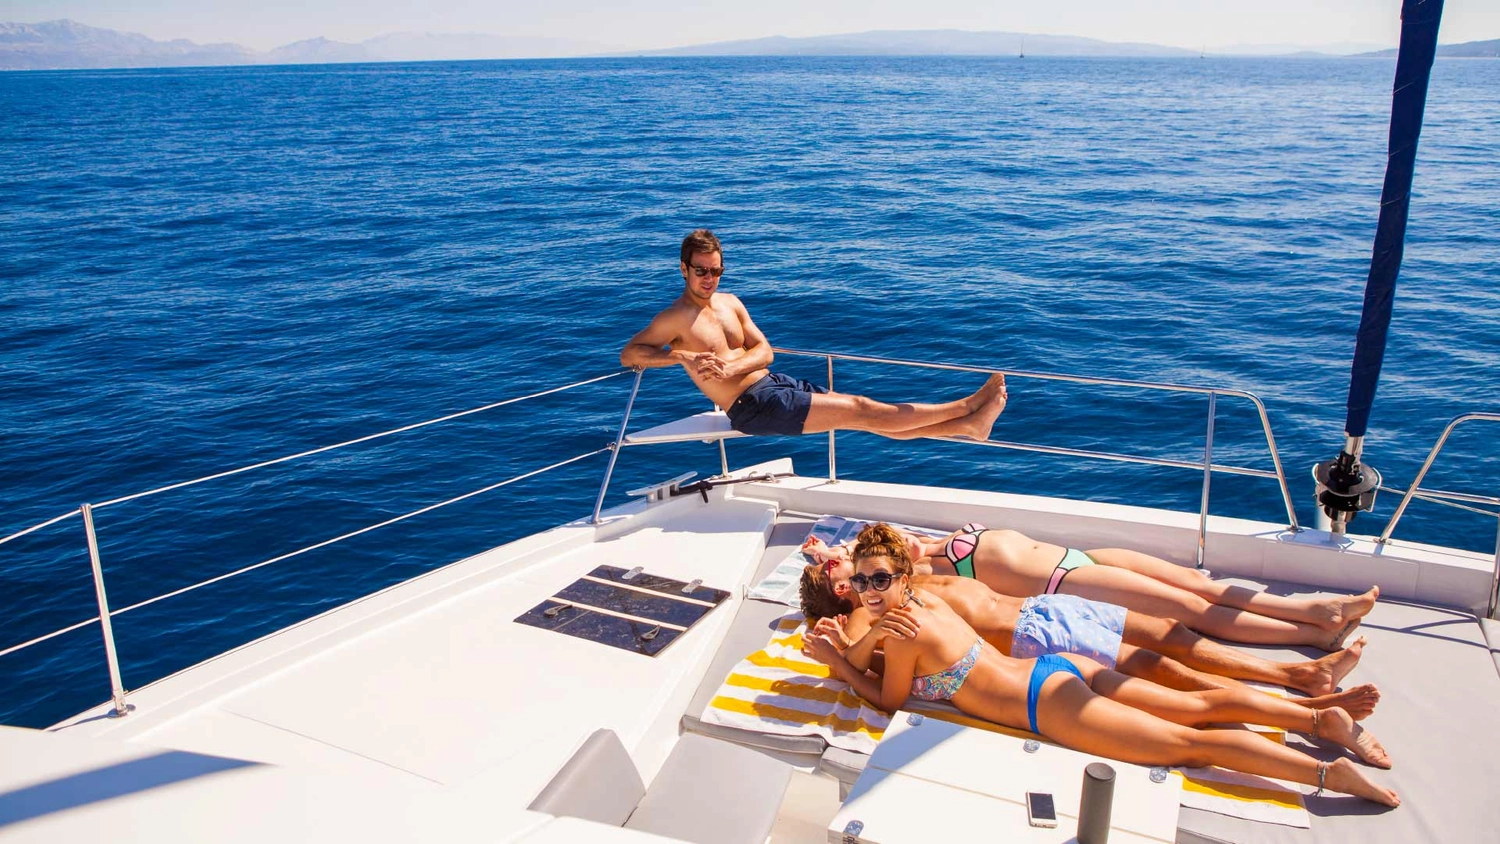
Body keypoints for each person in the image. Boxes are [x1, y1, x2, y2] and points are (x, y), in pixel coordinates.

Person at [802, 524, 1401, 808]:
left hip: (1044, 700)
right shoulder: (913, 604)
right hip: (1054, 667)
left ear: (893, 578)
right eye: (859, 580)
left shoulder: (899, 628)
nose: (868, 586)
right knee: (1194, 702)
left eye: (875, 578)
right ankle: (1316, 718)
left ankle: (1327, 771)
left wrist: (840, 660)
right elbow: (874, 642)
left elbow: (887, 698)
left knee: (1191, 741)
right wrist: (849, 641)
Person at [799, 563, 1378, 716]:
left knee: (1169, 633)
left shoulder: (885, 573)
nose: (838, 559)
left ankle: (1296, 674)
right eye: (831, 570)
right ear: (839, 591)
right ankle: (1300, 687)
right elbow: (860, 663)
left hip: (1045, 608)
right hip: (1027, 637)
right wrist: (836, 649)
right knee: (1162, 670)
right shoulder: (863, 617)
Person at [620, 229, 1008, 439]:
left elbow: (765, 352)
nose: (709, 278)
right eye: (701, 271)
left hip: (775, 384)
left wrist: (733, 366)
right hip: (752, 407)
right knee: (861, 407)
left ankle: (969, 427)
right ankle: (965, 407)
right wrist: (681, 356)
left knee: (869, 418)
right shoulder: (675, 319)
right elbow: (630, 354)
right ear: (684, 269)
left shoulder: (730, 303)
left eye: (716, 270)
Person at [804, 524, 1378, 651]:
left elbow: (858, 541)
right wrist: (838, 574)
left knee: (1193, 582)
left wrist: (826, 551)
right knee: (1190, 607)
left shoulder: (905, 544)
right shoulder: (908, 576)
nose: (842, 558)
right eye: (843, 572)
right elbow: (870, 590)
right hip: (1067, 578)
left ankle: (1312, 607)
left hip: (1081, 556)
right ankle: (1311, 631)